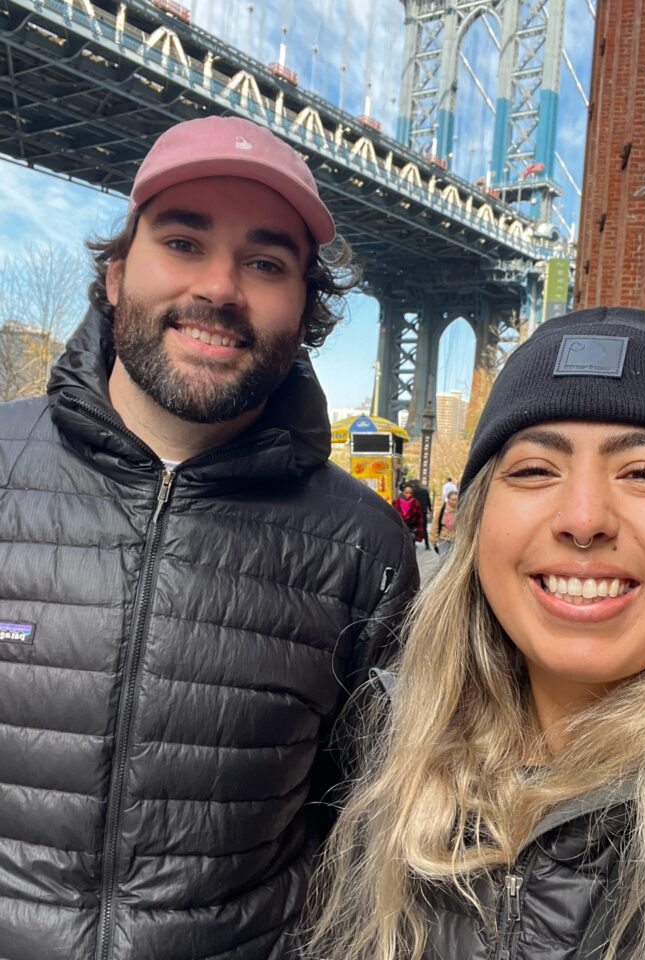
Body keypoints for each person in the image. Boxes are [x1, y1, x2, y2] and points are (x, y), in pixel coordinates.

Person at [0, 115, 418, 960]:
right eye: (183, 242)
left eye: (266, 263)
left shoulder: (367, 552)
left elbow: (362, 831)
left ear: (306, 311)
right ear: (116, 275)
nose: (221, 288)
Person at [308, 307, 645, 960]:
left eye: (643, 472)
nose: (583, 519)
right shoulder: (395, 748)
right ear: (477, 528)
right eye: (532, 470)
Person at [430, 489, 458, 553]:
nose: (454, 502)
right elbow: (435, 525)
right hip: (443, 539)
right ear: (448, 499)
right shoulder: (442, 510)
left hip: (456, 540)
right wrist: (433, 539)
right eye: (453, 500)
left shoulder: (460, 510)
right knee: (443, 560)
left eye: (456, 500)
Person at [408, 478, 432, 550]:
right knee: (424, 528)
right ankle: (427, 545)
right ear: (419, 484)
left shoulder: (411, 492)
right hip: (423, 512)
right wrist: (430, 509)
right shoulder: (424, 491)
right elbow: (428, 500)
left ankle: (413, 544)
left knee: (413, 528)